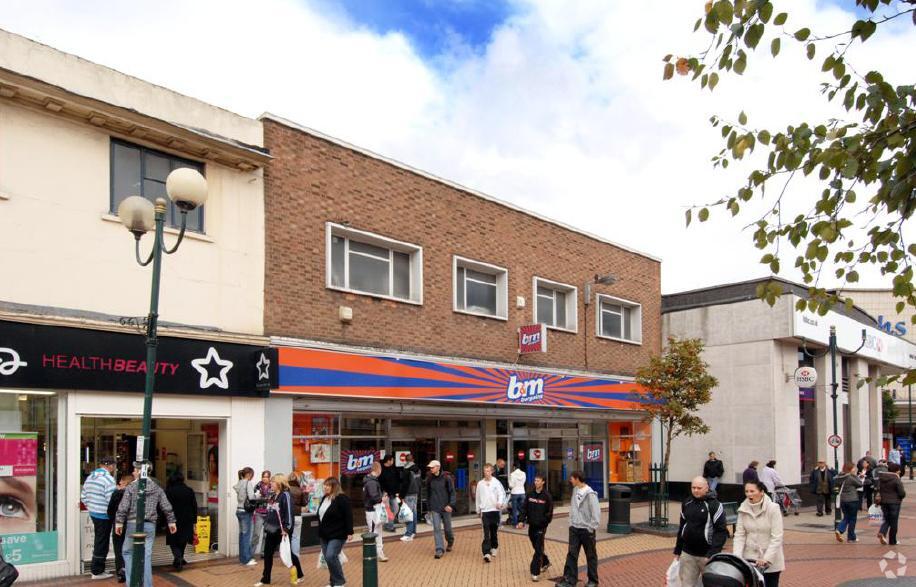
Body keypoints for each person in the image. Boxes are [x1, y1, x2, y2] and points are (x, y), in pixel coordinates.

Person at [115, 466, 177, 587]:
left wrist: (119, 522)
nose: (133, 472)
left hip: (133, 524)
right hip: (150, 525)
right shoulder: (156, 487)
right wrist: (171, 522)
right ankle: (147, 585)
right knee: (146, 556)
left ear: (140, 471)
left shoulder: (131, 487)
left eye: (135, 470)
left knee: (127, 552)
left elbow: (123, 507)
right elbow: (166, 506)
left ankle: (132, 583)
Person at [672, 476, 727, 587]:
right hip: (687, 554)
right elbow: (682, 527)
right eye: (693, 488)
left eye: (699, 488)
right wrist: (678, 550)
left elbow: (721, 531)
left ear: (707, 488)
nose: (696, 490)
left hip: (707, 556)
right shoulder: (687, 503)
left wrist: (712, 554)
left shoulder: (714, 505)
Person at [254, 473, 304, 586]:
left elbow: (289, 513)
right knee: (268, 554)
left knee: (288, 553)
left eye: (273, 482)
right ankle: (265, 578)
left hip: (282, 530)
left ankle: (300, 574)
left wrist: (286, 529)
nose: (271, 483)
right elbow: (270, 511)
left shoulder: (285, 495)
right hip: (271, 529)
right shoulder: (273, 495)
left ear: (279, 483)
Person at [733, 480, 785, 587]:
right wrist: (737, 557)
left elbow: (777, 537)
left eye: (752, 491)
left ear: (761, 492)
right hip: (750, 560)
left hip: (770, 560)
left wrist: (766, 558)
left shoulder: (773, 508)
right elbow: (739, 535)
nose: (749, 494)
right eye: (747, 491)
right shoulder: (743, 509)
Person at [558, 471, 601, 587]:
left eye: (571, 478)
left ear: (577, 479)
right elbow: (573, 507)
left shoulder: (590, 494)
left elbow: (596, 513)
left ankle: (593, 581)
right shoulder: (575, 490)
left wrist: (591, 528)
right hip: (574, 529)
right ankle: (569, 580)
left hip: (586, 530)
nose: (570, 480)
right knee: (572, 555)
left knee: (590, 556)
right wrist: (571, 523)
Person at [81, 456, 117, 580]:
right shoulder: (108, 479)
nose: (114, 468)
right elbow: (111, 500)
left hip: (94, 513)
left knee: (99, 540)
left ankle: (97, 568)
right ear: (110, 466)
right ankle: (97, 571)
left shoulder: (90, 477)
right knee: (102, 542)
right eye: (114, 466)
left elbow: (83, 496)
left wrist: (91, 507)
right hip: (104, 515)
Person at [317, 477, 353, 587]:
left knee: (330, 556)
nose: (325, 487)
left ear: (334, 487)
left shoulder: (342, 498)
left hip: (337, 534)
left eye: (328, 485)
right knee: (329, 559)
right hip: (324, 534)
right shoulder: (325, 498)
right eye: (325, 485)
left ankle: (340, 582)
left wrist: (350, 532)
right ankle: (333, 582)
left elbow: (348, 515)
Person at [521, 472, 553, 582]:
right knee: (536, 547)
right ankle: (545, 562)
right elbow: (524, 508)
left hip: (541, 527)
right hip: (532, 525)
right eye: (535, 480)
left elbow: (549, 513)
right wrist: (521, 520)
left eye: (538, 481)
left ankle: (535, 572)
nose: (536, 482)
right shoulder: (530, 494)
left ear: (543, 482)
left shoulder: (547, 496)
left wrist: (543, 522)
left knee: (538, 548)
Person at [165, 472, 198, 572]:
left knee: (173, 540)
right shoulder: (189, 490)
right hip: (187, 519)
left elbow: (164, 506)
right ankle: (180, 557)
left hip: (172, 519)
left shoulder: (168, 491)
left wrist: (162, 520)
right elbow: (194, 506)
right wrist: (194, 520)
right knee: (183, 540)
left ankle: (178, 557)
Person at [107, 472, 135, 583]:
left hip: (118, 524)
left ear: (125, 482)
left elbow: (110, 510)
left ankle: (120, 571)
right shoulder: (135, 494)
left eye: (121, 481)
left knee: (118, 548)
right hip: (131, 524)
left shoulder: (116, 494)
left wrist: (113, 520)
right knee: (130, 548)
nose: (119, 482)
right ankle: (129, 570)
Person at [476, 463, 507, 563]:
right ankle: (486, 553)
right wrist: (478, 509)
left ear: (492, 471)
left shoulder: (496, 482)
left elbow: (502, 494)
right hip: (485, 511)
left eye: (488, 471)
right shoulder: (480, 484)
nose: (487, 473)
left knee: (493, 531)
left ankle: (494, 546)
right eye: (485, 471)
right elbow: (478, 497)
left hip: (494, 510)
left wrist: (500, 503)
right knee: (486, 533)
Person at [426, 459, 456, 559]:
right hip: (435, 507)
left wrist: (450, 505)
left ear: (438, 467)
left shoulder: (447, 478)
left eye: (432, 467)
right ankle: (439, 549)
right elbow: (428, 493)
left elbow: (452, 492)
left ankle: (450, 541)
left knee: (448, 529)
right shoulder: (429, 479)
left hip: (446, 507)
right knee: (437, 528)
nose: (431, 469)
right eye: (430, 467)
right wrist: (429, 507)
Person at [363, 461, 389, 562]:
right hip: (373, 510)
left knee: (375, 531)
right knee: (375, 532)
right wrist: (382, 499)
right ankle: (377, 553)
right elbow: (374, 496)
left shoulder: (369, 480)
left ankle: (378, 552)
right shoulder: (372, 482)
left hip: (372, 510)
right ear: (378, 470)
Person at [877, 462, 907, 546]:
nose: (900, 471)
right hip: (894, 503)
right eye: (899, 470)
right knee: (894, 522)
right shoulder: (896, 479)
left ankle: (882, 532)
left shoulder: (882, 478)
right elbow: (901, 492)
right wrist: (902, 496)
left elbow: (879, 489)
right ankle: (892, 540)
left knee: (887, 519)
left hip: (884, 502)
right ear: (896, 471)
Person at [834, 463, 864, 543]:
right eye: (854, 468)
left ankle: (839, 529)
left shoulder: (839, 477)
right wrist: (857, 476)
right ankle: (851, 537)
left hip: (843, 500)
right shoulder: (850, 477)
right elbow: (860, 484)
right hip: (852, 500)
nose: (855, 469)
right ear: (850, 469)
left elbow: (836, 485)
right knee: (852, 519)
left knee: (846, 517)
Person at [234, 467, 258, 566]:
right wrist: (257, 496)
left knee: (242, 535)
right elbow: (251, 497)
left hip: (239, 510)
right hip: (245, 512)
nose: (252, 477)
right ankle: (247, 559)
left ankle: (242, 558)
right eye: (252, 475)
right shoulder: (248, 483)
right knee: (246, 536)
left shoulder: (239, 483)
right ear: (249, 474)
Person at [398, 453, 422, 542]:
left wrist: (401, 495)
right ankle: (413, 532)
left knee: (408, 514)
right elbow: (420, 482)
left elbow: (405, 484)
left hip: (408, 493)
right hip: (415, 493)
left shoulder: (406, 470)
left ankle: (408, 533)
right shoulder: (418, 469)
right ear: (413, 460)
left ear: (406, 460)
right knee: (413, 513)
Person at [288, 472, 308, 560]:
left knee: (287, 537)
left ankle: (288, 557)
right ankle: (295, 556)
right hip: (297, 516)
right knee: (296, 537)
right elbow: (304, 503)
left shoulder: (286, 490)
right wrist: (306, 494)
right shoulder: (300, 490)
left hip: (288, 516)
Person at [253, 470, 273, 557]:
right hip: (259, 513)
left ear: (269, 478)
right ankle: (251, 553)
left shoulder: (272, 486)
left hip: (268, 513)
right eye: (263, 476)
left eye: (266, 477)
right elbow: (253, 496)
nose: (264, 478)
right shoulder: (258, 485)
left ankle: (263, 552)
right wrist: (258, 497)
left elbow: (273, 498)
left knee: (266, 535)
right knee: (256, 534)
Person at [378, 454, 400, 532]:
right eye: (392, 460)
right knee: (387, 510)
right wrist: (383, 491)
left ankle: (387, 524)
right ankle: (390, 526)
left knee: (396, 508)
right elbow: (379, 482)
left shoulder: (393, 468)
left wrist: (397, 491)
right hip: (385, 493)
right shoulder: (381, 469)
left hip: (393, 493)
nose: (393, 461)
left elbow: (396, 480)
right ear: (388, 461)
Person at [508, 463, 527, 528]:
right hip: (522, 492)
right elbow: (524, 482)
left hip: (515, 492)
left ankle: (515, 524)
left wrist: (510, 486)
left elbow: (511, 485)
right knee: (522, 509)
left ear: (514, 467)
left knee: (514, 509)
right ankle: (522, 523)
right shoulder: (524, 473)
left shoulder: (512, 474)